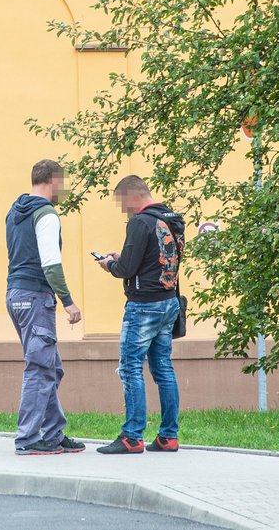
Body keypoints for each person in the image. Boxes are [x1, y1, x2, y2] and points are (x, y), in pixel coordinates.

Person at [96, 175, 184, 454]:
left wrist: (110, 264)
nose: (125, 210)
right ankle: (168, 436)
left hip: (143, 306)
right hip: (169, 302)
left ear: (133, 196)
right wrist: (123, 259)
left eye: (124, 204)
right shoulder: (172, 219)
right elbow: (155, 258)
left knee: (131, 368)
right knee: (164, 370)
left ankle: (132, 437)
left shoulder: (139, 221)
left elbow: (127, 269)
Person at [5, 159, 86, 456]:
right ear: (52, 180)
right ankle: (27, 439)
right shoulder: (46, 214)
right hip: (35, 295)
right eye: (61, 183)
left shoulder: (14, 211)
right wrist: (69, 301)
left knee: (50, 365)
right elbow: (51, 265)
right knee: (40, 368)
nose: (62, 190)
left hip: (14, 293)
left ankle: (53, 434)